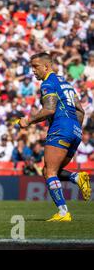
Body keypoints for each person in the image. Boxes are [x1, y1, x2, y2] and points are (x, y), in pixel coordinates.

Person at [18, 52, 91, 222]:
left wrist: (28, 121)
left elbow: (49, 109)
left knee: (49, 171)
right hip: (75, 130)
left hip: (60, 128)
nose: (33, 71)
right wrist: (74, 130)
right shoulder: (66, 84)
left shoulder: (48, 83)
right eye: (31, 67)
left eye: (36, 67)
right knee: (50, 170)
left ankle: (64, 212)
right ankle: (76, 177)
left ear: (46, 66)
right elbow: (81, 111)